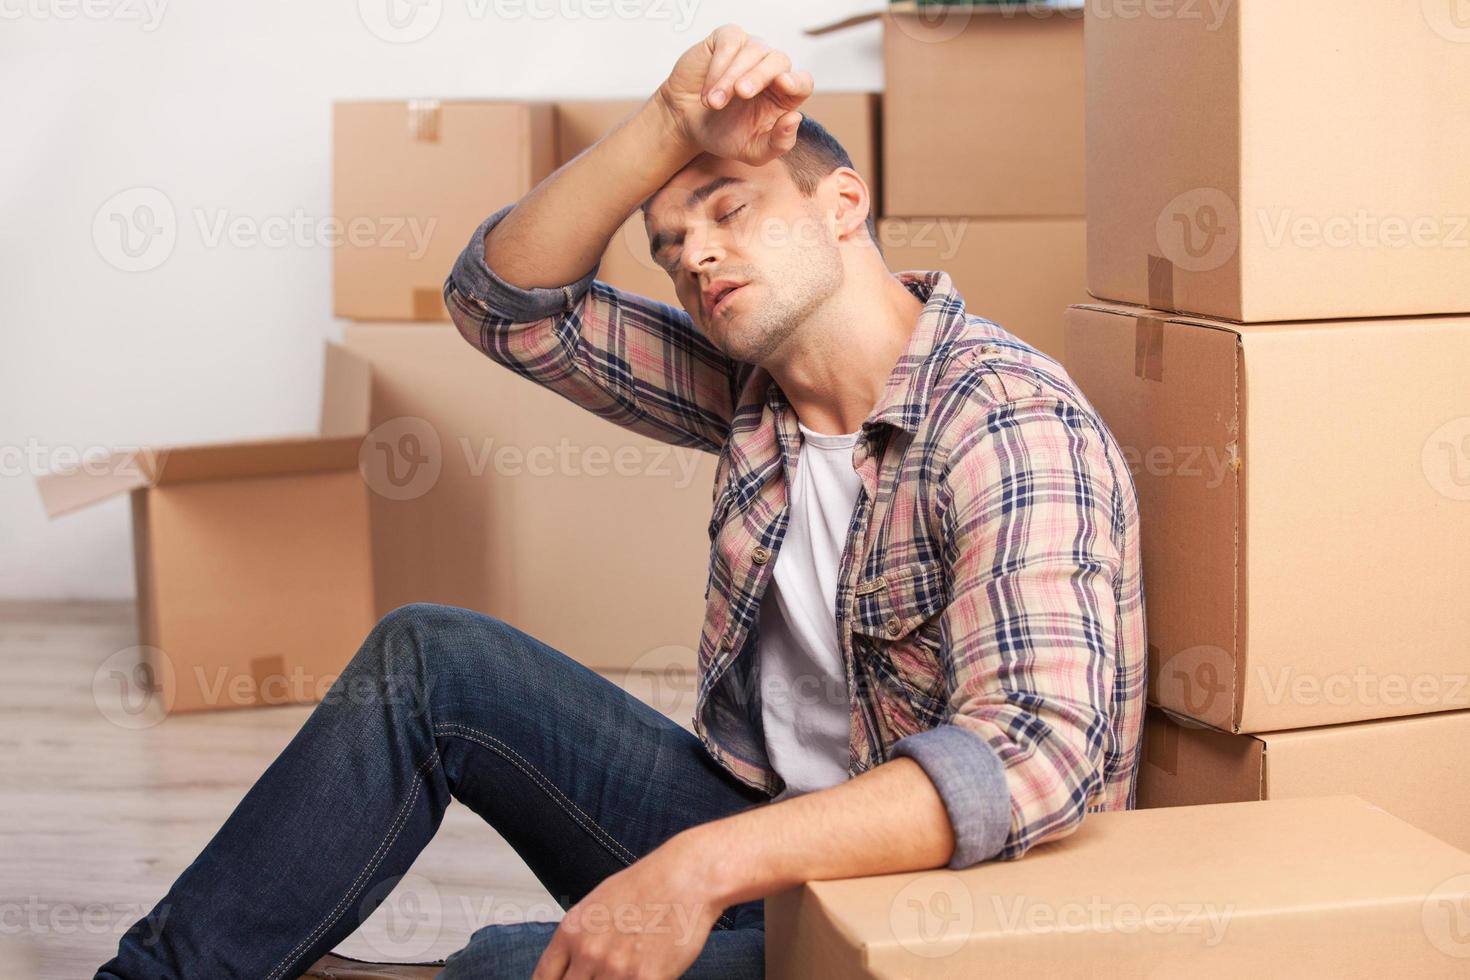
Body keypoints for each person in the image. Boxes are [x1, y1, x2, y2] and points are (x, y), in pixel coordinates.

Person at [97, 23, 1145, 980]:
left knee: (513, 966)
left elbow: (1032, 755)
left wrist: (698, 866)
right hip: (772, 844)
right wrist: (667, 123)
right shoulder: (758, 389)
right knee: (432, 659)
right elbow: (504, 307)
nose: (693, 254)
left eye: (729, 209)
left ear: (843, 204)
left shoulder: (1004, 422)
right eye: (669, 244)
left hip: (939, 918)